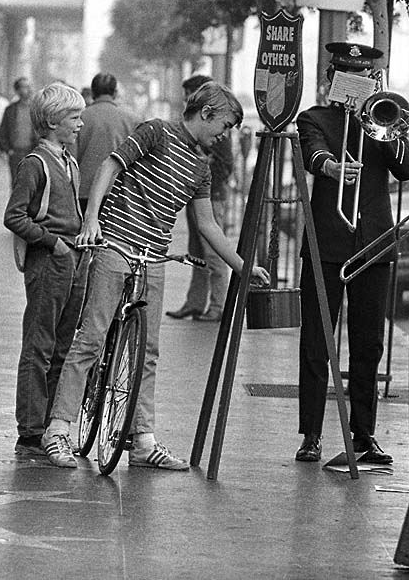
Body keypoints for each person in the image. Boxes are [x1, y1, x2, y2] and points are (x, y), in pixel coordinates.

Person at [40, 81, 270, 470]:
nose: (225, 135)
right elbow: (111, 165)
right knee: (91, 340)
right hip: (116, 244)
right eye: (225, 124)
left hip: (154, 258)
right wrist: (93, 219)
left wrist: (243, 267)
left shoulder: (201, 167)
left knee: (147, 353)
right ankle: (58, 430)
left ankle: (142, 440)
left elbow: (208, 225)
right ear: (207, 113)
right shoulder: (156, 131)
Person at [294, 42, 409, 464]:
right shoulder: (314, 117)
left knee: (369, 344)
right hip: (325, 242)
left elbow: (408, 170)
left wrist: (387, 127)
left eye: (363, 77)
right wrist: (329, 166)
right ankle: (311, 433)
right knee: (316, 339)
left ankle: (363, 433)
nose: (354, 83)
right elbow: (312, 151)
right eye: (346, 76)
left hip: (373, 245)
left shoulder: (382, 119)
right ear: (333, 80)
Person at [3, 83, 88, 457]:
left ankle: (52, 423)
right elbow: (14, 215)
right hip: (49, 262)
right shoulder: (35, 165)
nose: (80, 125)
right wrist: (52, 242)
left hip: (72, 260)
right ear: (53, 121)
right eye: (75, 118)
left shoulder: (69, 161)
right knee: (38, 345)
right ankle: (31, 427)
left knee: (62, 346)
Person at [165, 74, 234, 322]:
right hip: (194, 196)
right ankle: (194, 302)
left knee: (213, 252)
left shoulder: (216, 131)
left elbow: (226, 166)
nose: (186, 103)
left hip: (211, 196)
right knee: (196, 251)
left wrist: (202, 167)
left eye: (189, 97)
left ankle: (218, 305)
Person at [75, 72, 141, 212]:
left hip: (85, 191)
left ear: (93, 92)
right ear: (115, 93)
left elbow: (71, 158)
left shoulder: (79, 118)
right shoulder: (131, 119)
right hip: (120, 191)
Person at [0, 77, 39, 190]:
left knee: (32, 185)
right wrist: (8, 150)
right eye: (25, 87)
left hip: (32, 152)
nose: (29, 89)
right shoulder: (10, 110)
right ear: (17, 90)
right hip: (15, 153)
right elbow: (2, 131)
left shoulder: (36, 109)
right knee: (16, 185)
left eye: (29, 86)